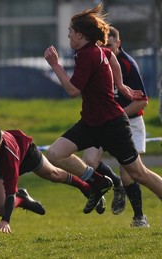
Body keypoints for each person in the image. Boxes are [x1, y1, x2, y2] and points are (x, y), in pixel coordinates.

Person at [44, 3, 162, 216]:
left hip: (112, 124)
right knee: (54, 153)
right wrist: (122, 85)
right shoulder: (94, 51)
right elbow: (112, 58)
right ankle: (98, 182)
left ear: (80, 35)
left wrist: (55, 65)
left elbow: (72, 90)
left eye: (70, 33)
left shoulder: (87, 55)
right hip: (91, 122)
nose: (68, 36)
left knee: (139, 174)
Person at [0, 125, 104, 234]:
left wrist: (6, 221)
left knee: (54, 174)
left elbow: (10, 191)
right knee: (0, 209)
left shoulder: (9, 152)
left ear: (1, 143)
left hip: (24, 155)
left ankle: (85, 186)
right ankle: (22, 199)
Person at [82, 26, 149, 227]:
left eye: (110, 46)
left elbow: (142, 101)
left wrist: (117, 114)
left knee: (131, 173)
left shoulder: (128, 65)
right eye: (103, 46)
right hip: (103, 122)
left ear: (118, 44)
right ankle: (115, 184)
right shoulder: (97, 60)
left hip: (130, 123)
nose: (106, 50)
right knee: (89, 161)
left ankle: (139, 217)